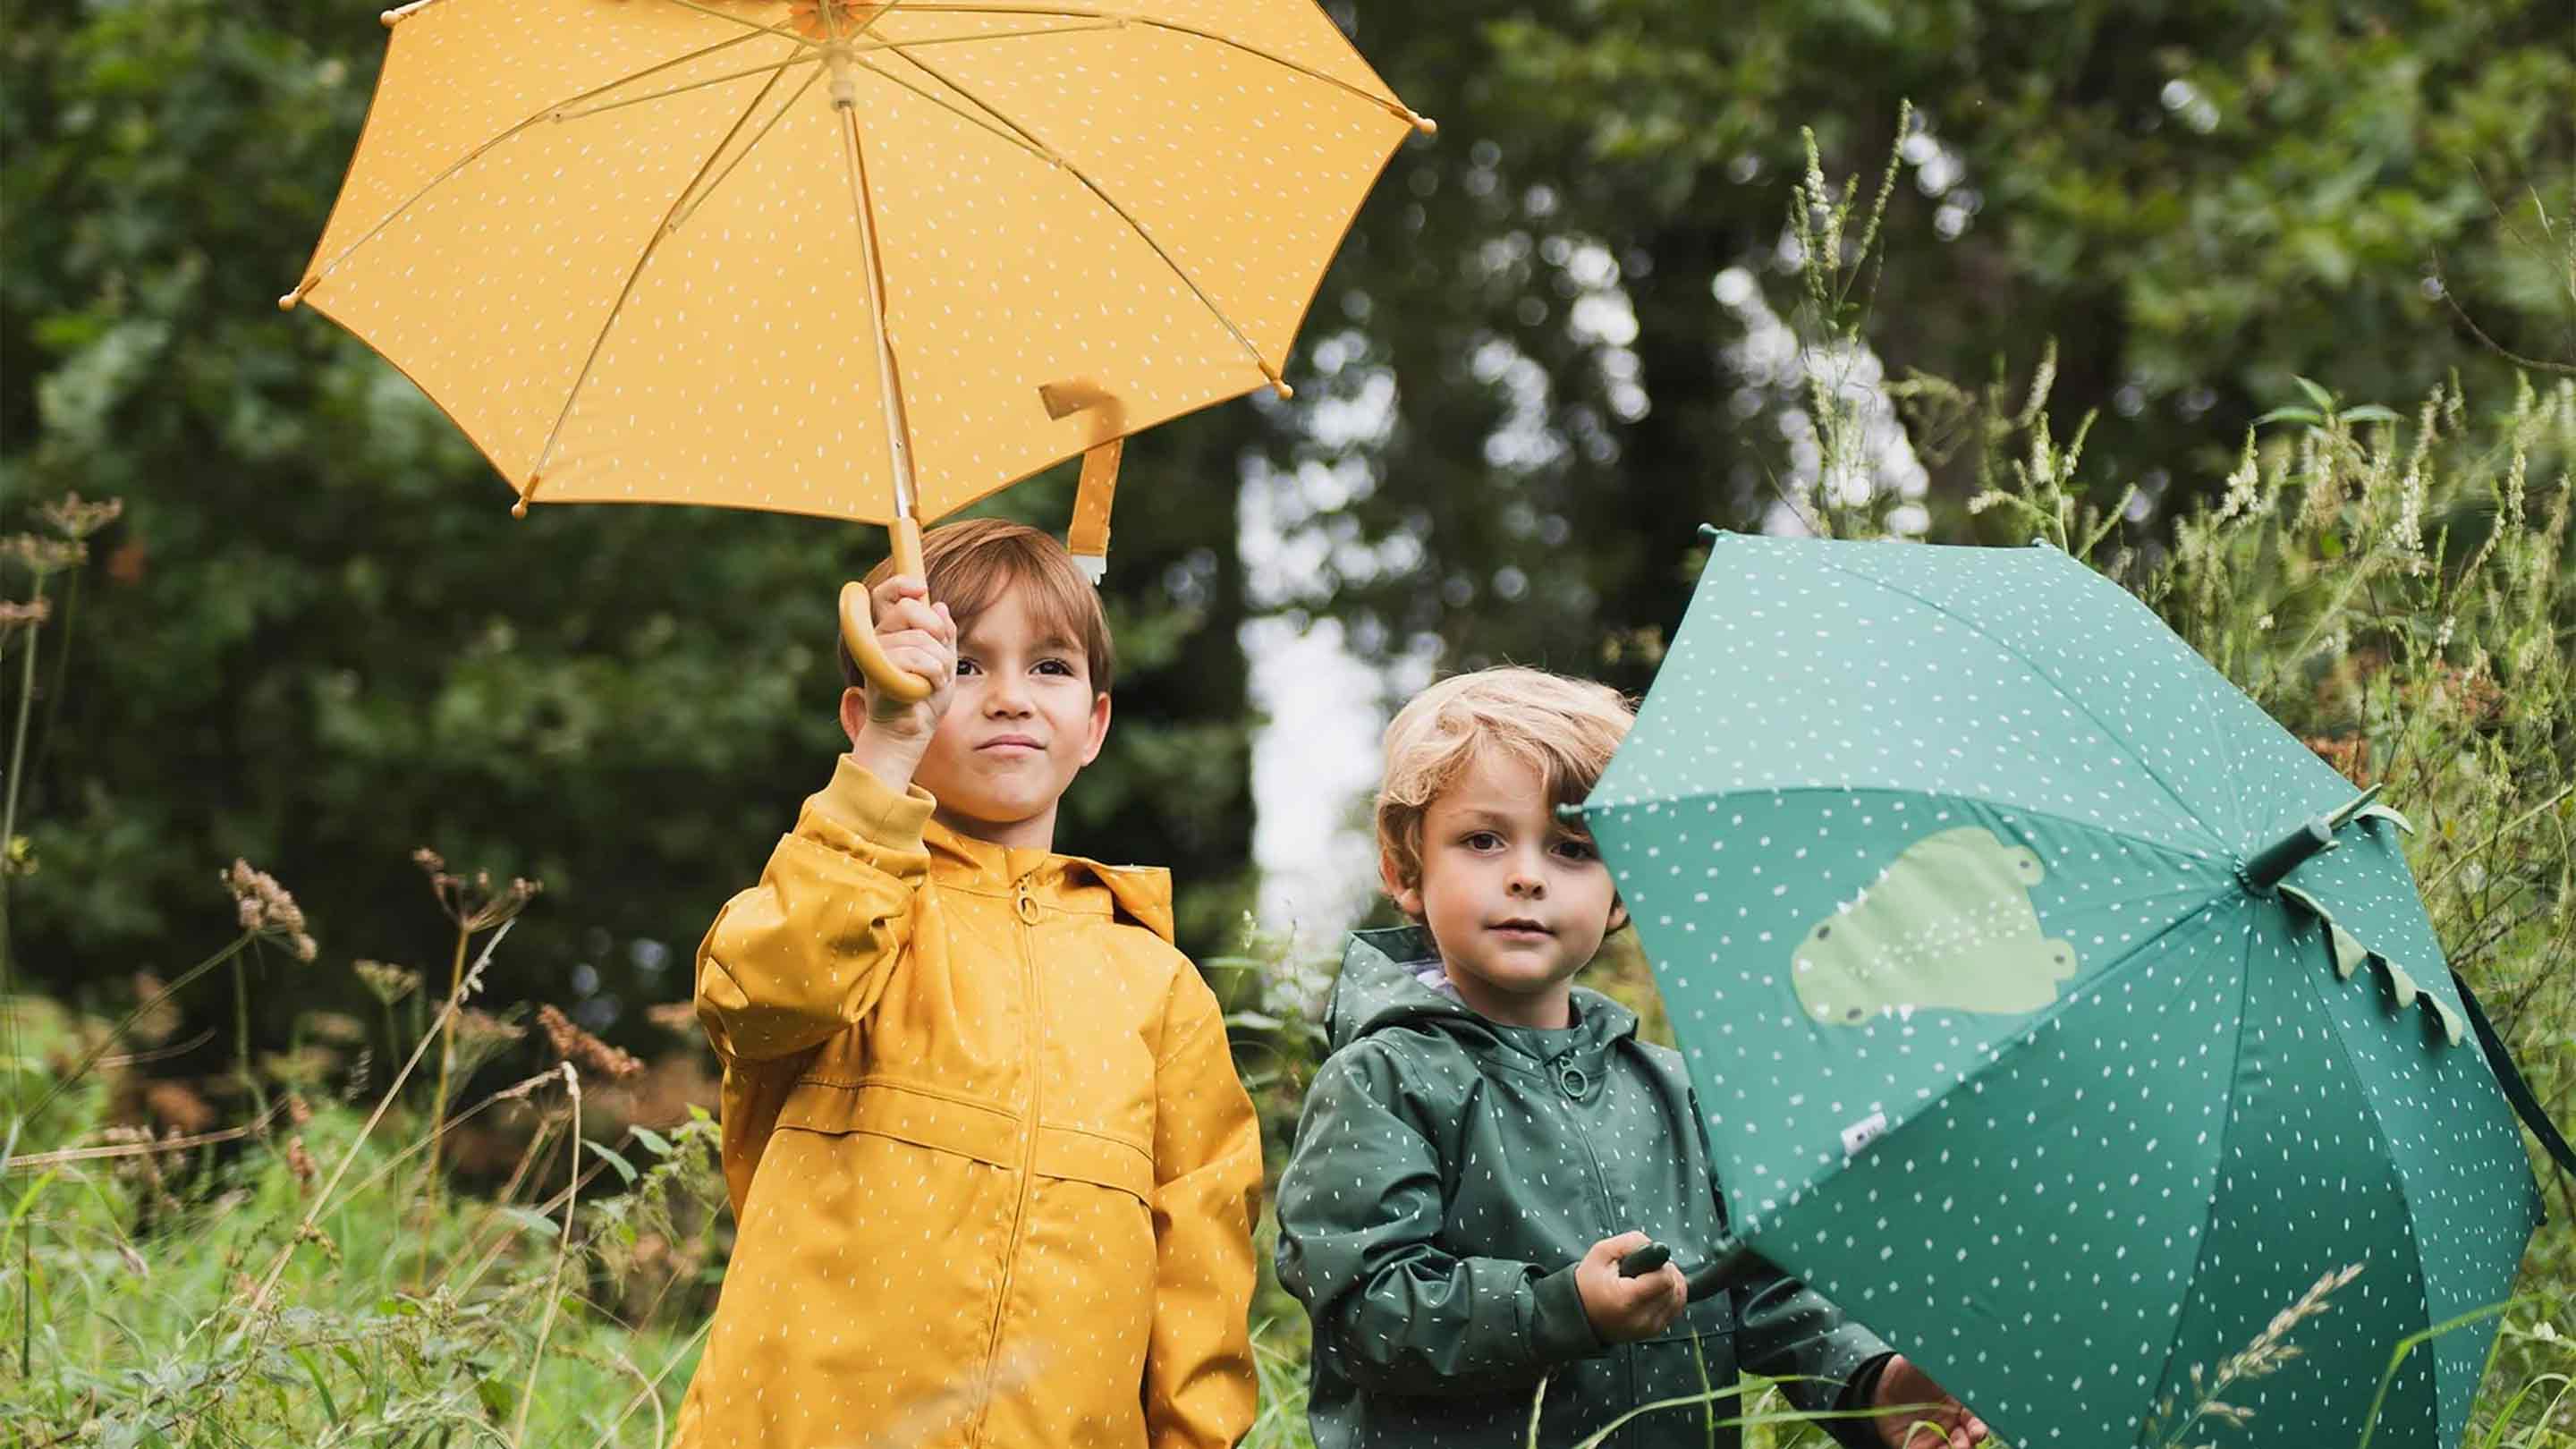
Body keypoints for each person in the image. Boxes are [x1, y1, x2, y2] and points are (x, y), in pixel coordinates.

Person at [1275, 666, 1987, 1449]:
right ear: (1405, 869)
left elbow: (1754, 1292)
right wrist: (1560, 1310)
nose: (1526, 875)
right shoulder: (1384, 1080)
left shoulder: (1674, 1091)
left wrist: (1875, 1386)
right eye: (1482, 840)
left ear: (1621, 893)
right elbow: (1363, 1309)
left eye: (1572, 848)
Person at [669, 518, 1263, 1449]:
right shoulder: (851, 905)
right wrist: (886, 766)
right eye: (964, 665)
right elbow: (759, 997)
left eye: (1051, 667)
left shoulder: (1157, 984)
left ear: (1096, 723)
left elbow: (1201, 1276)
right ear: (865, 714)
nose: (1010, 698)